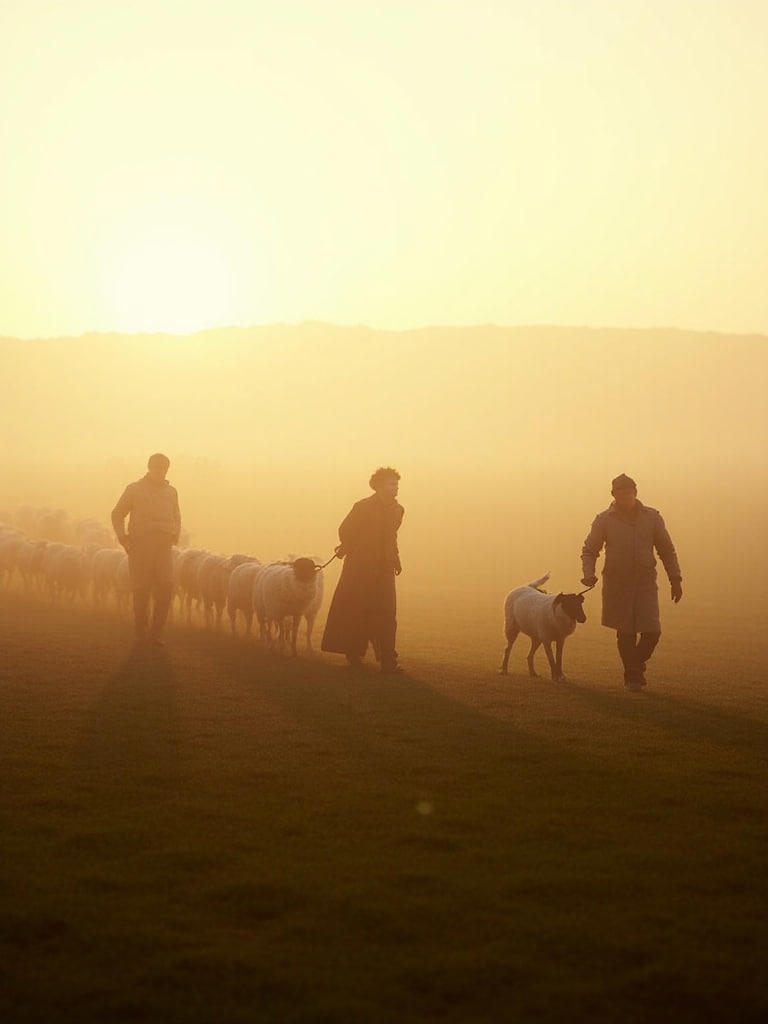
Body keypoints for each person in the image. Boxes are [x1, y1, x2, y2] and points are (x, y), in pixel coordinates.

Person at [581, 473, 682, 691]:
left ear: (635, 492)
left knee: (652, 631)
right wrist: (588, 573)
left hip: (645, 581)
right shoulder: (604, 519)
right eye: (620, 493)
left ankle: (634, 667)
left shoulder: (652, 517)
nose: (625, 496)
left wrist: (675, 579)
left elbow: (666, 550)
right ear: (613, 495)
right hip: (617, 583)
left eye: (628, 492)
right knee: (626, 631)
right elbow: (589, 550)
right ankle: (632, 678)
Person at [321, 467, 405, 673]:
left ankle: (388, 660)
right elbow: (345, 530)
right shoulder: (362, 507)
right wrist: (354, 547)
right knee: (356, 610)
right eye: (391, 484)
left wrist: (396, 559)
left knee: (387, 613)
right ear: (378, 486)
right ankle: (354, 654)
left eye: (396, 484)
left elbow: (391, 537)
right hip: (359, 568)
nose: (396, 488)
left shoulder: (398, 510)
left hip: (384, 568)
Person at [111, 453, 181, 645]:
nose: (161, 472)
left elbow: (176, 515)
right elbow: (117, 513)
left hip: (164, 546)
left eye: (164, 468)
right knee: (141, 589)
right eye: (157, 468)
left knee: (166, 588)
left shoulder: (171, 492)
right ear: (149, 468)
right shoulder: (135, 489)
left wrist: (175, 534)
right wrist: (122, 537)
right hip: (141, 544)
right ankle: (141, 633)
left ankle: (156, 633)